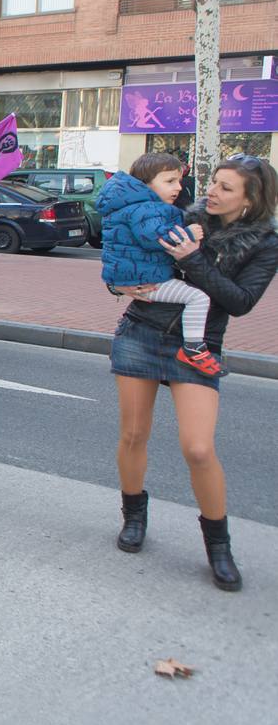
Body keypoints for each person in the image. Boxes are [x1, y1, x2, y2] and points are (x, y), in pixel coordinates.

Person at [109, 155, 277, 592]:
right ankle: (134, 517)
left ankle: (218, 546)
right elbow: (125, 249)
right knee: (132, 434)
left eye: (225, 188)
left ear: (251, 199)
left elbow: (240, 301)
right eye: (214, 182)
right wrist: (117, 286)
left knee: (199, 448)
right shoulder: (180, 215)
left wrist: (194, 258)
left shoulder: (265, 242)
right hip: (141, 331)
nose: (211, 192)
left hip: (197, 346)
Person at [98, 157, 223, 377]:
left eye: (179, 180)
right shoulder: (147, 208)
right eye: (170, 181)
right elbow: (153, 237)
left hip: (141, 279)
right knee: (198, 298)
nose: (178, 187)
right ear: (145, 183)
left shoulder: (137, 204)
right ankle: (194, 347)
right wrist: (188, 234)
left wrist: (117, 284)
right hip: (148, 284)